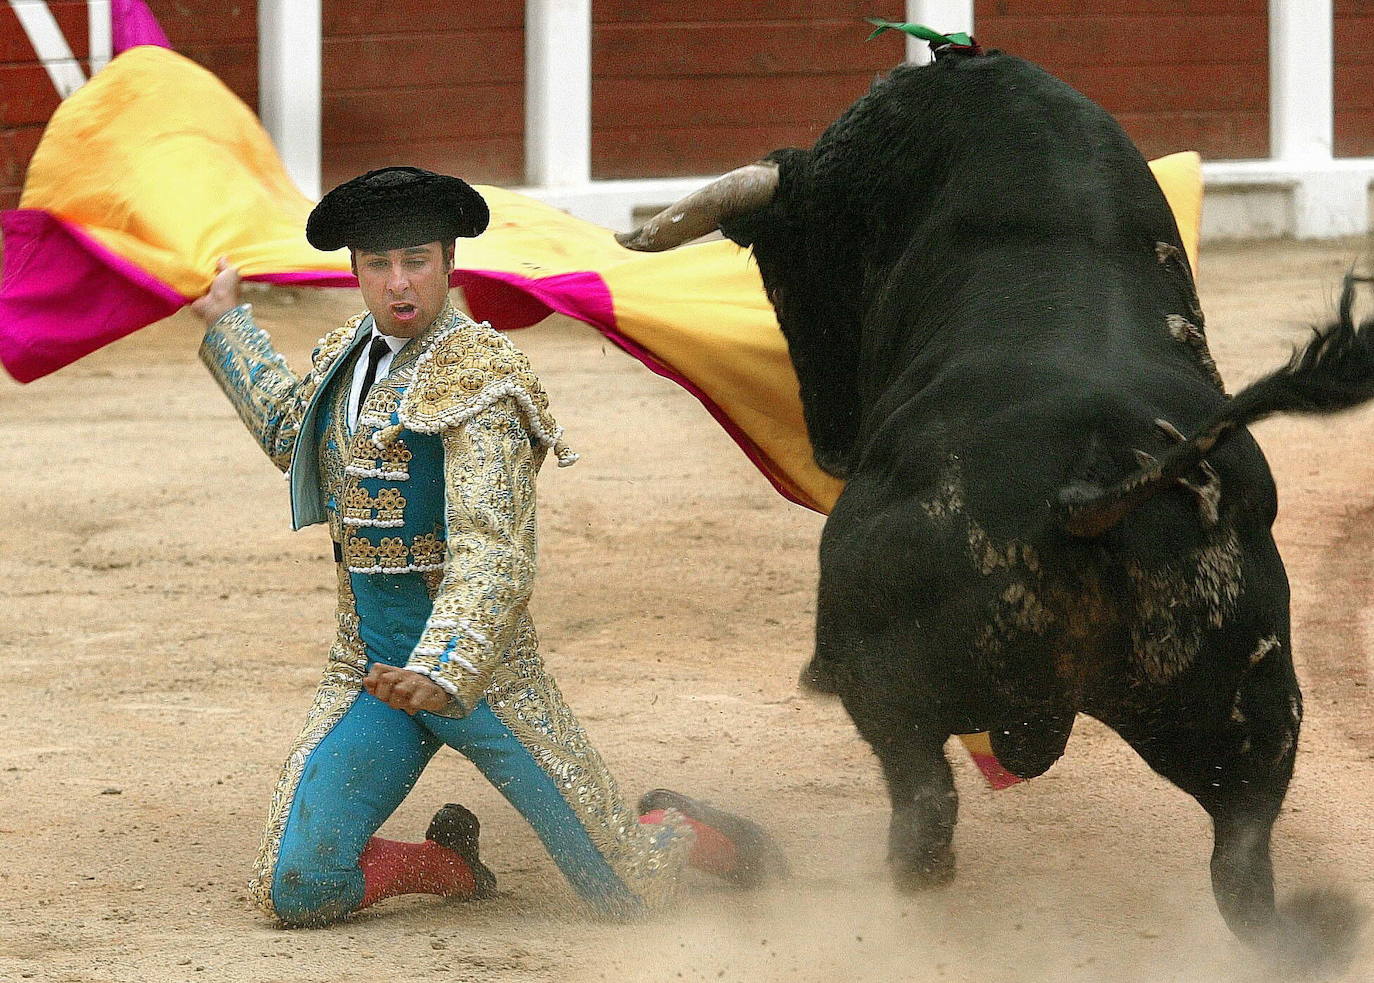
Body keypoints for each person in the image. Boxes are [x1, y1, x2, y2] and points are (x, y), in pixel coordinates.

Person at [190, 166, 786, 926]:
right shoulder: (346, 355)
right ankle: (448, 864)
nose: (398, 283)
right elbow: (290, 432)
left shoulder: (483, 374)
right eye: (379, 264)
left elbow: (493, 547)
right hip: (369, 672)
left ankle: (687, 829)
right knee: (295, 888)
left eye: (416, 261)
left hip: (487, 679)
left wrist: (443, 669)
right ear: (355, 271)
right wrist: (227, 324)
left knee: (632, 893)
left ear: (448, 263)